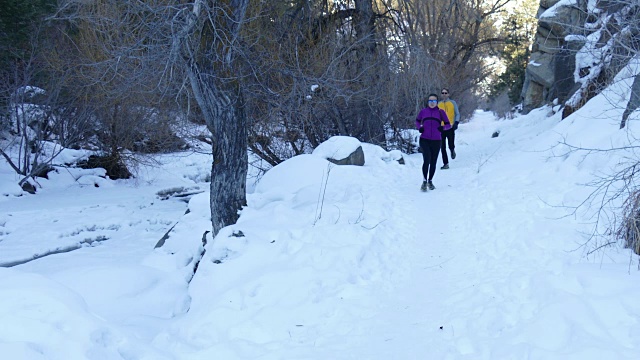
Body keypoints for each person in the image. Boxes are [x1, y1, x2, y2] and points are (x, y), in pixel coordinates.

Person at [416, 93, 451, 191]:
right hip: (424, 139)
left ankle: (430, 181)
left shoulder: (441, 112)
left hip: (436, 140)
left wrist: (442, 127)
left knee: (433, 161)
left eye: (434, 101)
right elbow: (417, 121)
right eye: (430, 101)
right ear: (428, 102)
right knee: (426, 159)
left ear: (437, 102)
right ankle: (424, 181)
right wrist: (420, 128)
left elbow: (449, 125)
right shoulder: (423, 111)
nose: (432, 103)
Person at [438, 88, 460, 169]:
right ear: (441, 94)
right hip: (441, 128)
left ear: (448, 94)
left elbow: (457, 114)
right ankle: (445, 164)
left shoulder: (452, 103)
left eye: (445, 93)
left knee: (451, 143)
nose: (444, 94)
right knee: (442, 147)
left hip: (450, 127)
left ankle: (452, 150)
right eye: (442, 93)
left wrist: (456, 123)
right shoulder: (438, 104)